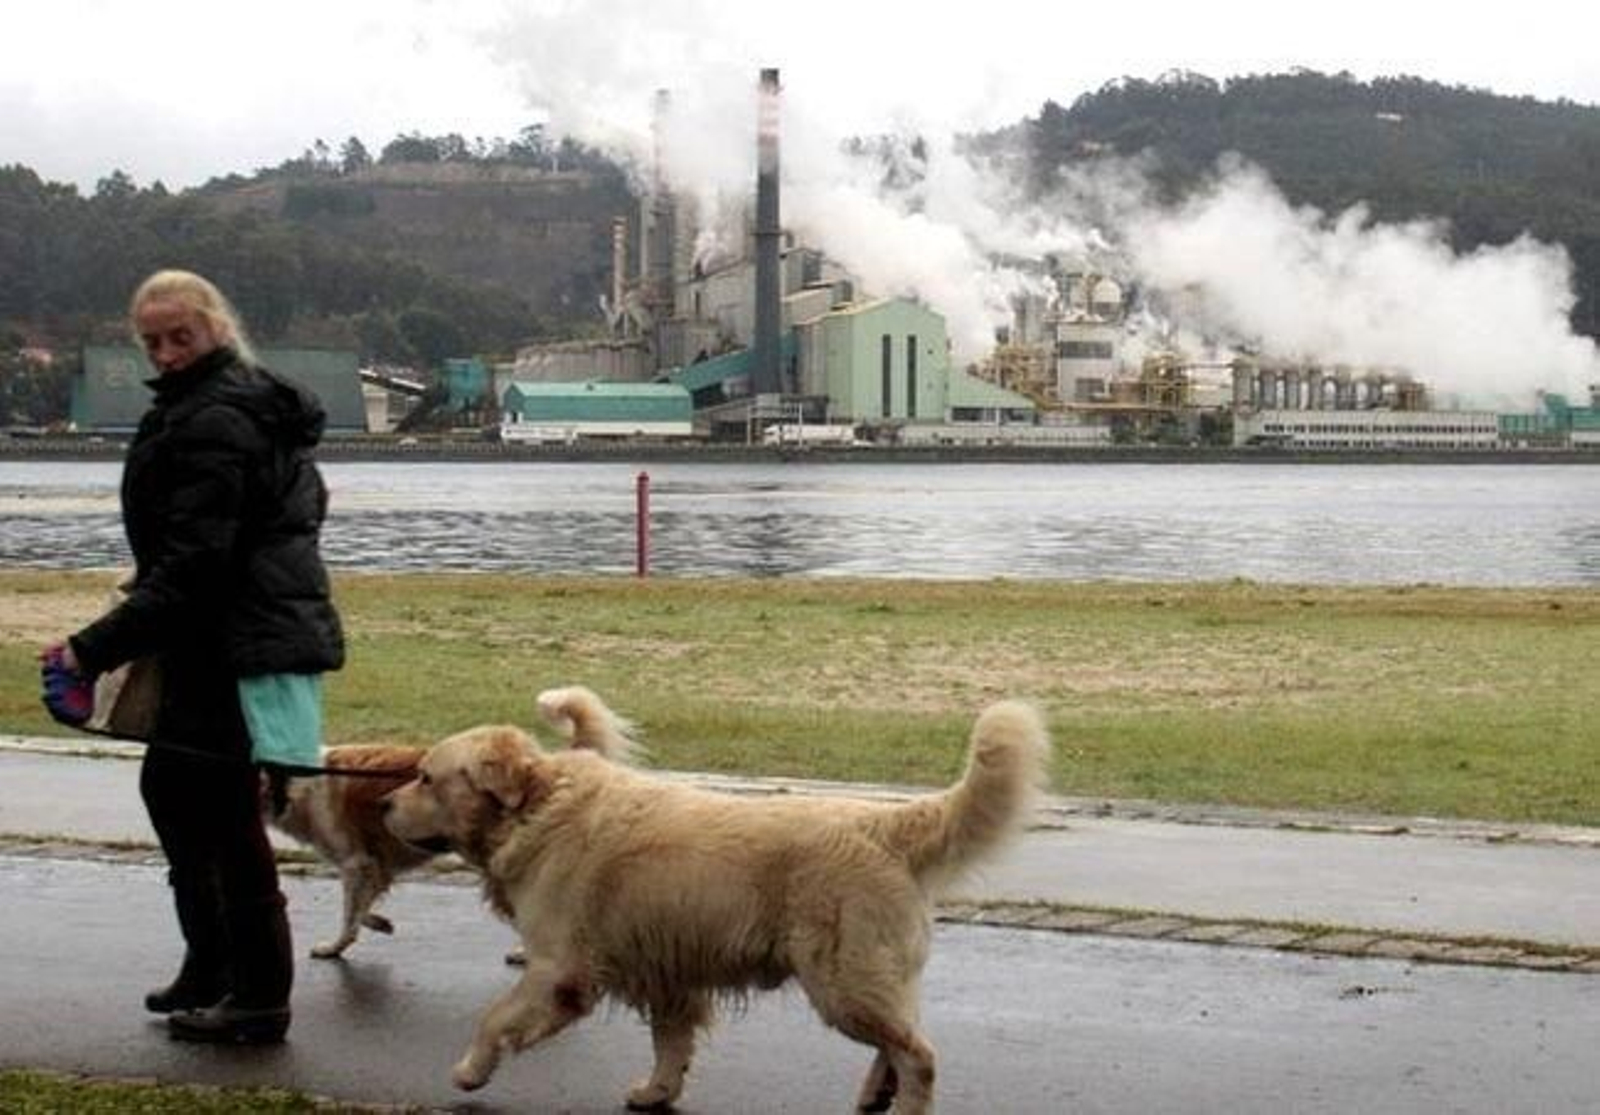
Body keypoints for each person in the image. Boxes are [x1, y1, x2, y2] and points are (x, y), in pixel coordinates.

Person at [43, 269, 344, 1044]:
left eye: (181, 336)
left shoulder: (219, 417)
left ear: (217, 325)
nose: (167, 353)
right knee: (177, 791)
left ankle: (259, 995)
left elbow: (195, 564)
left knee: (223, 814)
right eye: (152, 341)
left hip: (230, 636)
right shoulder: (225, 404)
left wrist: (89, 649)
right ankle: (213, 963)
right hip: (222, 629)